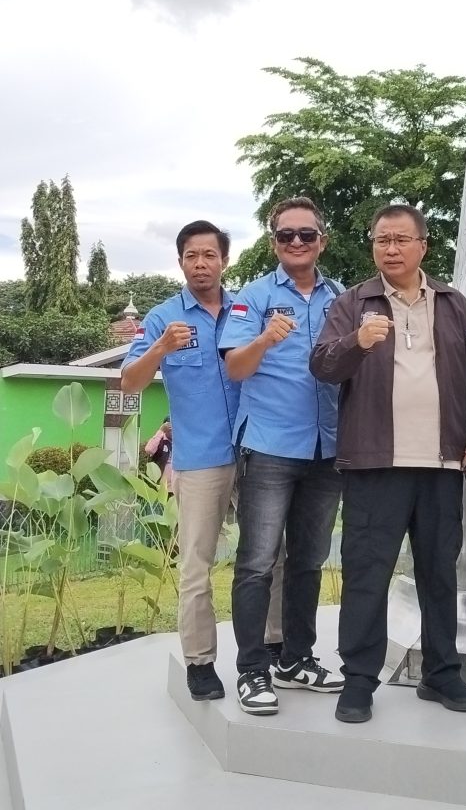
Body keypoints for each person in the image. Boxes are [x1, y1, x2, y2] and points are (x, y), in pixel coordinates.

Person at [310, 203, 466, 724]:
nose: (390, 249)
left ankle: (442, 673)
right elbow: (322, 365)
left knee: (439, 572)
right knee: (367, 573)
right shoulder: (353, 302)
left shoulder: (452, 304)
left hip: (441, 462)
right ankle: (359, 680)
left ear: (423, 246)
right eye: (381, 240)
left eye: (400, 240)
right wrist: (356, 342)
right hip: (375, 463)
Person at [122, 220, 280, 701]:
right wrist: (160, 347)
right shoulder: (163, 317)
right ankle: (200, 662)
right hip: (201, 458)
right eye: (191, 255)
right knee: (196, 564)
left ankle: (275, 645)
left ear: (224, 260)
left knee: (272, 554)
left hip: (256, 450)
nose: (201, 264)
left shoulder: (246, 309)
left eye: (210, 255)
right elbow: (129, 381)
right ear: (180, 262)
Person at [219, 196, 344, 715]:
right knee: (256, 563)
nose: (296, 242)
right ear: (274, 243)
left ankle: (296, 659)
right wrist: (266, 339)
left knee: (309, 562)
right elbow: (235, 368)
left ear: (322, 241)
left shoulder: (341, 297)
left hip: (327, 448)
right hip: (269, 446)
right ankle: (252, 670)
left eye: (306, 234)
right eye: (286, 235)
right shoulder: (253, 297)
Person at [145, 416, 174, 493]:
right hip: (162, 489)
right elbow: (149, 450)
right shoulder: (160, 441)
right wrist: (160, 431)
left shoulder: (180, 442)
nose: (172, 431)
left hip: (178, 488)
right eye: (169, 428)